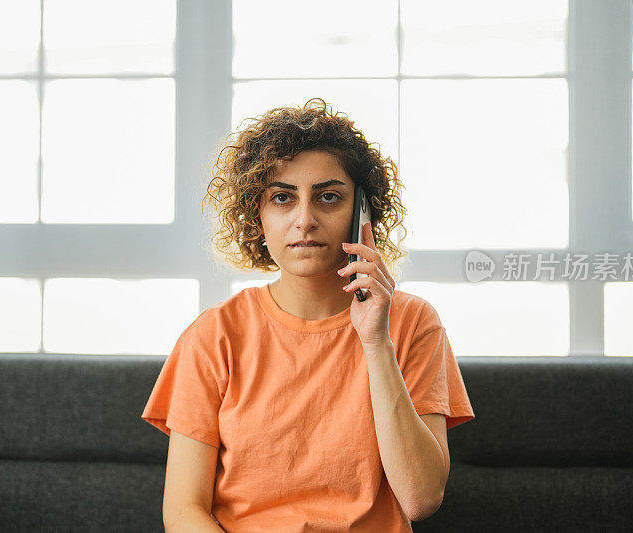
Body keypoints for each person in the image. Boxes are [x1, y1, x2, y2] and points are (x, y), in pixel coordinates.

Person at [141, 97, 475, 532]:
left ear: (362, 215)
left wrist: (376, 343)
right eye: (282, 198)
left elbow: (421, 498)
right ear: (256, 216)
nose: (304, 219)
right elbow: (183, 512)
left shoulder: (412, 323)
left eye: (329, 197)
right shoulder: (214, 335)